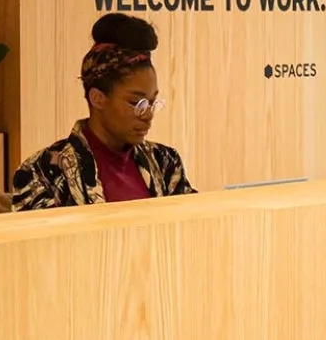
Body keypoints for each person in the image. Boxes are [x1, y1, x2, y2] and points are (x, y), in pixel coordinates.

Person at [10, 14, 195, 209]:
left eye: (152, 102)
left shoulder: (165, 162)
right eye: (136, 103)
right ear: (97, 98)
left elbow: (193, 227)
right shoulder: (43, 172)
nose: (148, 114)